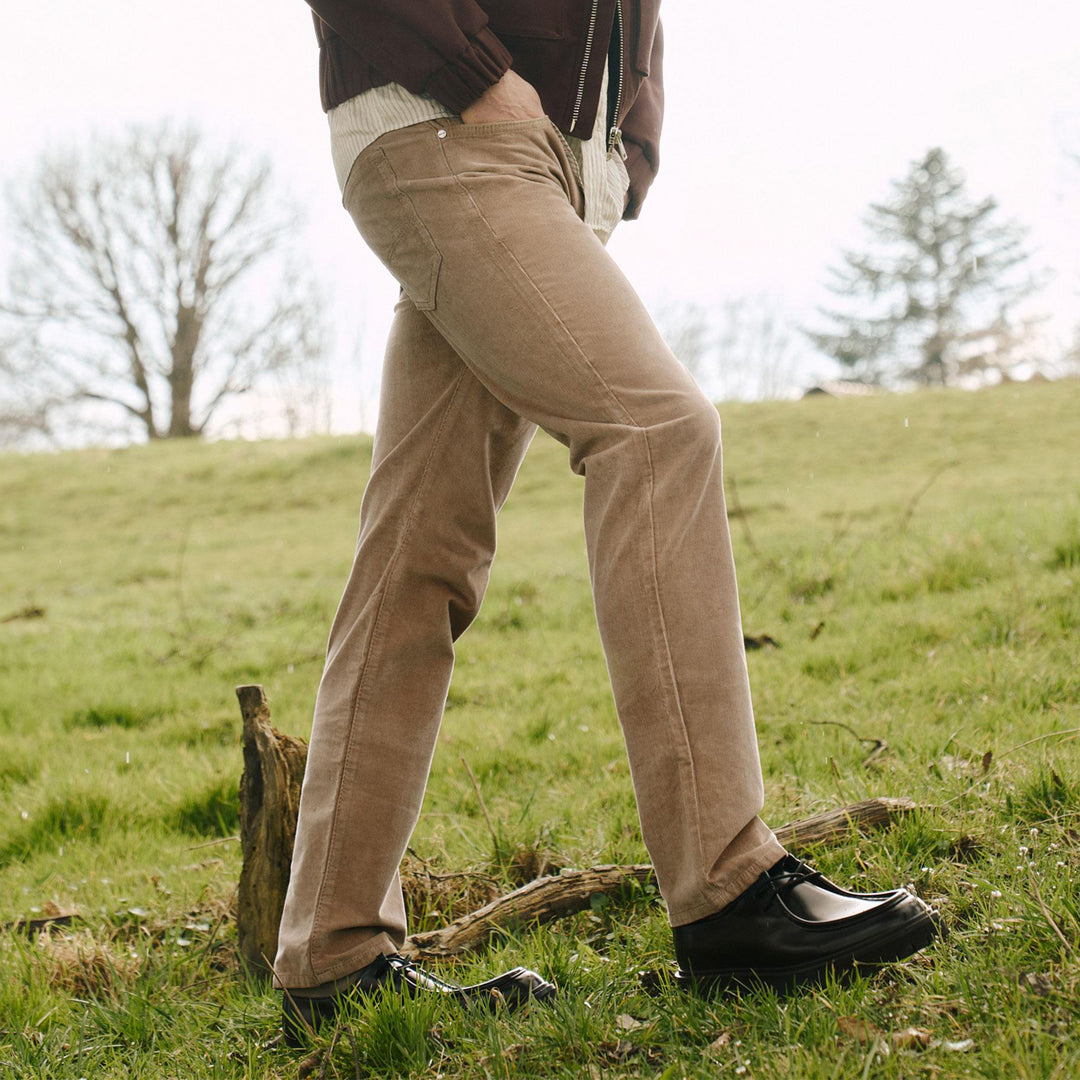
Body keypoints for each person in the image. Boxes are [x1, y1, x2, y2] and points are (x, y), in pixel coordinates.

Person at [275, 0, 944, 1046]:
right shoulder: (466, 97)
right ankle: (727, 888)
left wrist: (630, 144)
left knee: (420, 553)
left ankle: (333, 950)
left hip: (538, 149)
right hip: (450, 123)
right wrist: (480, 79)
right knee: (657, 430)